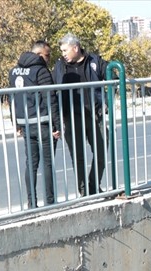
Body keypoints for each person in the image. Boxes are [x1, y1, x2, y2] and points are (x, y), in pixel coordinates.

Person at [53, 34, 108, 197]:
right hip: (72, 117)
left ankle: (93, 185)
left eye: (65, 50)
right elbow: (53, 89)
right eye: (61, 50)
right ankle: (84, 191)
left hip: (94, 114)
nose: (63, 53)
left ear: (75, 48)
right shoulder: (60, 66)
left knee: (101, 151)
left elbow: (112, 73)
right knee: (78, 157)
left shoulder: (94, 61)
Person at [9, 41, 60, 208]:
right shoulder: (41, 71)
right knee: (47, 162)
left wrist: (15, 122)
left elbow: (12, 99)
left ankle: (31, 203)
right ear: (39, 55)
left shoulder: (14, 72)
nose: (49, 59)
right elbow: (50, 98)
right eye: (47, 55)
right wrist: (57, 125)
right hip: (43, 123)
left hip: (25, 123)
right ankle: (50, 202)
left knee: (31, 163)